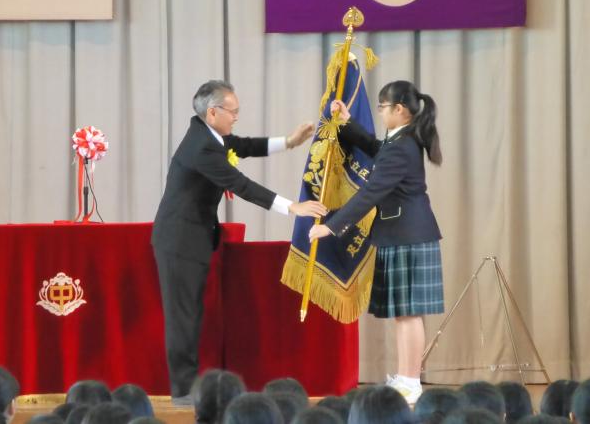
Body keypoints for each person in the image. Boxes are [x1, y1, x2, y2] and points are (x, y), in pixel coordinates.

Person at [153, 80, 327, 405]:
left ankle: (187, 386)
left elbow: (242, 146)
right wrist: (292, 207)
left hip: (192, 238)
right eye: (233, 111)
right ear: (213, 111)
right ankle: (182, 391)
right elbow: (240, 184)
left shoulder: (210, 136)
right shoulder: (201, 148)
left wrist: (288, 142)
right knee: (183, 316)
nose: (236, 117)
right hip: (180, 241)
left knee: (191, 314)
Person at [309, 80, 444, 405]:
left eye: (383, 108)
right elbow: (374, 148)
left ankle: (410, 381)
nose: (380, 112)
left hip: (408, 235)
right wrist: (346, 124)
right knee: (406, 313)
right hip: (405, 233)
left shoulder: (403, 145)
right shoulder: (401, 140)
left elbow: (371, 193)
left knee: (409, 313)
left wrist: (332, 226)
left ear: (399, 110)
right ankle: (406, 375)